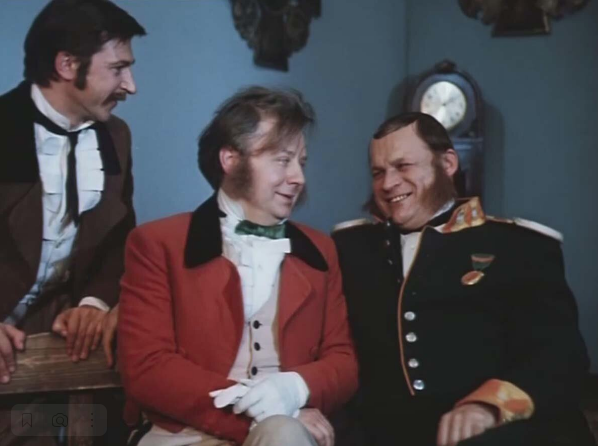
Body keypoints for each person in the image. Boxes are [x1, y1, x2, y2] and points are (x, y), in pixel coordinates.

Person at [332, 112, 595, 446]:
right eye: (378, 172)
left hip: (499, 433)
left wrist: (488, 407)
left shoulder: (517, 246)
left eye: (403, 166)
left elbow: (561, 355)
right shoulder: (352, 249)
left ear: (448, 163)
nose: (388, 183)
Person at [118, 86, 358, 446]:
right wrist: (266, 411)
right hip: (184, 435)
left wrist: (292, 389)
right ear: (230, 159)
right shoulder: (158, 243)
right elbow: (148, 368)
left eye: (301, 162)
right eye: (282, 160)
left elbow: (343, 362)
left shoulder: (321, 250)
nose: (298, 177)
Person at [0, 0, 144, 441]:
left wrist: (94, 303)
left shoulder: (116, 136)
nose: (131, 86)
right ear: (66, 65)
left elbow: (120, 237)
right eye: (118, 69)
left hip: (59, 337)